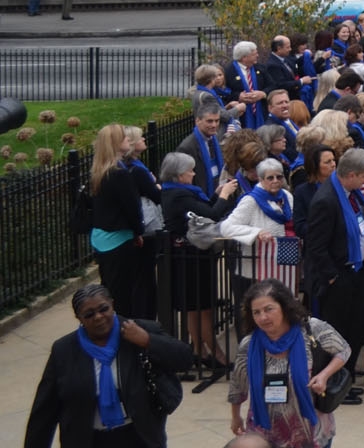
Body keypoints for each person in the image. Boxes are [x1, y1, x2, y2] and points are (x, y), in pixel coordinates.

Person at [25, 283, 193, 448]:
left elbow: (184, 359)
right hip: (89, 439)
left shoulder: (138, 330)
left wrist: (148, 340)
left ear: (112, 305)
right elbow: (44, 413)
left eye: (103, 309)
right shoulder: (64, 350)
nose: (98, 317)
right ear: (79, 318)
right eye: (89, 314)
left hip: (139, 437)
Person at [228, 279, 349, 448]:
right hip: (265, 430)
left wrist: (323, 376)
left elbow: (343, 350)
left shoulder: (312, 329)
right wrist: (235, 417)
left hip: (310, 429)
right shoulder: (248, 345)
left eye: (269, 309)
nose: (263, 317)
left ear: (284, 307)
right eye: (256, 312)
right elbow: (238, 385)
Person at [157, 151, 239, 372]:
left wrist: (216, 194)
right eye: (190, 170)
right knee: (202, 307)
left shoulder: (179, 193)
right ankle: (215, 353)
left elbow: (200, 213)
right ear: (179, 175)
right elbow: (211, 215)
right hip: (190, 260)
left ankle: (199, 350)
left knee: (196, 307)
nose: (193, 173)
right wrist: (224, 196)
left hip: (192, 257)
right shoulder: (180, 196)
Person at [303, 147, 364, 383]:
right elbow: (316, 246)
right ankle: (333, 382)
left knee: (355, 332)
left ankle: (347, 380)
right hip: (339, 278)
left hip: (356, 272)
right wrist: (333, 277)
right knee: (337, 335)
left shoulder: (351, 195)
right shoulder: (326, 200)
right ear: (352, 175)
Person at [89, 125, 161, 321]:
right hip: (120, 240)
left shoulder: (98, 171)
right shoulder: (120, 174)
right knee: (123, 298)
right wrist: (138, 232)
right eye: (123, 138)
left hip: (101, 238)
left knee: (109, 289)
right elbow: (132, 208)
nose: (128, 140)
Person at [220, 158, 300, 294]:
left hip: (285, 260)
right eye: (270, 178)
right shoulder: (250, 200)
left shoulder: (286, 196)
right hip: (259, 264)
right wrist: (256, 232)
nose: (275, 180)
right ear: (261, 180)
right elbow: (226, 227)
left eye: (279, 177)